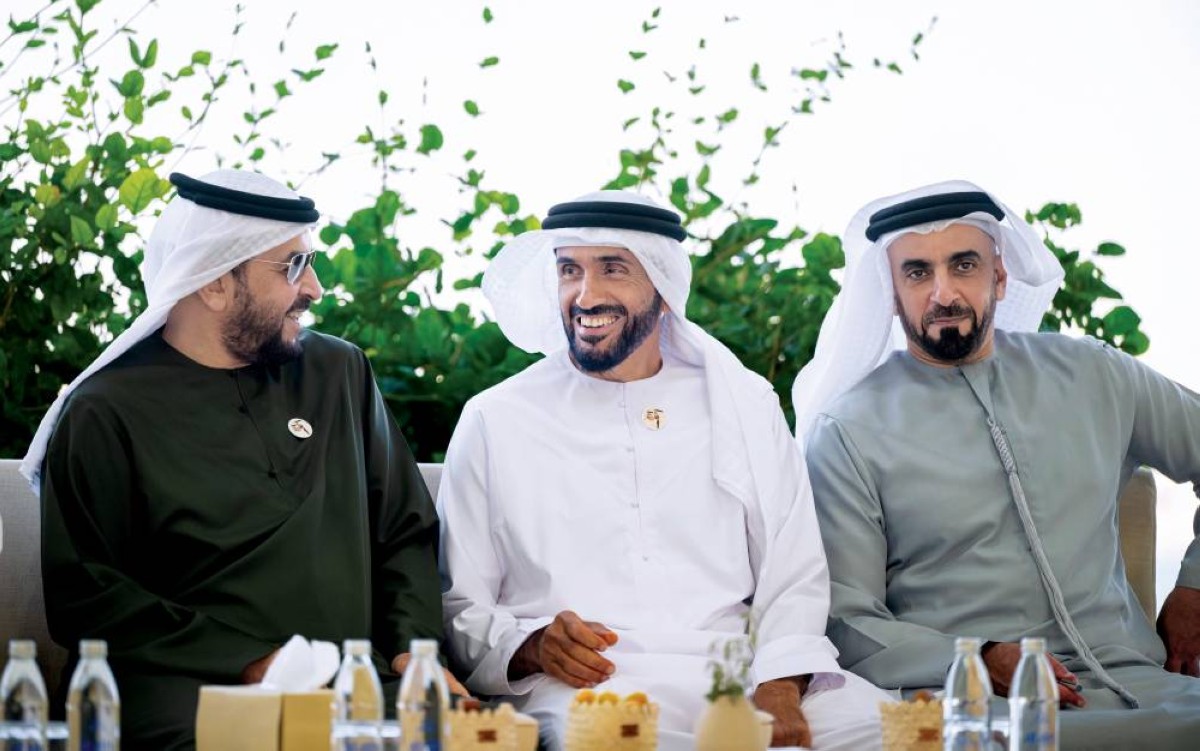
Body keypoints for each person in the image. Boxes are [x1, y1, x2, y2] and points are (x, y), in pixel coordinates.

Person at [437, 191, 890, 751]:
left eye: (613, 269)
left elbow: (792, 571)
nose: (586, 295)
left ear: (663, 284)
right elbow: (460, 605)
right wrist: (530, 646)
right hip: (589, 685)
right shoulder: (496, 418)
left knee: (896, 734)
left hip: (743, 673)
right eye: (569, 270)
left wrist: (780, 686)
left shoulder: (742, 403)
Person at [22, 170, 455, 750]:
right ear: (215, 283)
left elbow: (402, 529)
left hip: (350, 682)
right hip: (184, 689)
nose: (316, 288)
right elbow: (87, 592)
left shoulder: (339, 373)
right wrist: (251, 662)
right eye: (293, 267)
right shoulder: (105, 409)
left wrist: (412, 652)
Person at [796, 180, 1200, 749]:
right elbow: (848, 621)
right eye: (917, 273)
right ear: (891, 292)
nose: (943, 293)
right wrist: (979, 659)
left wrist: (1194, 590)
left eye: (964, 265)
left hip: (1140, 682)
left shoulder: (1096, 373)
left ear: (1000, 277)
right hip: (963, 701)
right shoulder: (848, 430)